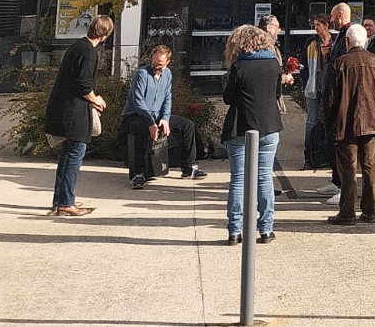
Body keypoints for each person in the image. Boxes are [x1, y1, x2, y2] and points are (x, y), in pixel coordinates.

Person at [322, 24, 375, 225]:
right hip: (372, 123)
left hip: (346, 123)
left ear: (347, 42)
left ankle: (347, 213)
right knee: (370, 167)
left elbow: (329, 99)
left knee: (348, 169)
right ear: (366, 42)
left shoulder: (338, 64)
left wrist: (330, 122)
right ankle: (370, 212)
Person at [221, 25, 284, 245]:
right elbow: (277, 94)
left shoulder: (239, 67)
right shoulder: (274, 65)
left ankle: (235, 231)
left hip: (241, 127)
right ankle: (266, 230)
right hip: (269, 126)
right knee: (264, 177)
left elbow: (228, 98)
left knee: (238, 180)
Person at [45, 15, 113, 216]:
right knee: (75, 154)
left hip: (64, 108)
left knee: (67, 156)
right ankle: (66, 202)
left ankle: (60, 200)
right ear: (105, 34)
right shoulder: (89, 52)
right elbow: (83, 85)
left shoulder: (77, 46)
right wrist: (97, 100)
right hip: (74, 112)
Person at [122, 45, 207, 189]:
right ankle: (139, 174)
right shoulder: (142, 74)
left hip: (157, 115)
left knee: (187, 125)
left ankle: (188, 167)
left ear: (168, 62)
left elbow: (168, 98)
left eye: (160, 65)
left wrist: (165, 119)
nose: (157, 67)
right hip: (136, 115)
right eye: (154, 63)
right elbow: (138, 101)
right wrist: (151, 122)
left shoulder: (167, 74)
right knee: (141, 130)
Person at [316, 2, 354, 204]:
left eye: (332, 17)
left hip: (341, 96)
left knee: (341, 142)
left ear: (340, 15)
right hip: (333, 93)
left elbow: (343, 64)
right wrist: (327, 53)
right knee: (333, 139)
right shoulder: (340, 35)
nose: (330, 21)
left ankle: (343, 186)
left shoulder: (349, 35)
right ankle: (336, 179)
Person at [301, 14, 333, 170]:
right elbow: (303, 65)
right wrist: (305, 81)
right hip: (313, 85)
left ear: (326, 26)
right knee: (311, 121)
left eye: (318, 25)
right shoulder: (311, 42)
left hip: (328, 86)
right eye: (314, 25)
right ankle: (309, 156)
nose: (316, 28)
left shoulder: (334, 42)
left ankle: (326, 155)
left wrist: (328, 53)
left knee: (330, 120)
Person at [258, 14, 296, 114]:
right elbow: (268, 75)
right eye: (277, 27)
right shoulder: (264, 49)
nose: (279, 30)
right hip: (267, 102)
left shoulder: (271, 47)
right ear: (269, 28)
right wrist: (284, 78)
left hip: (270, 98)